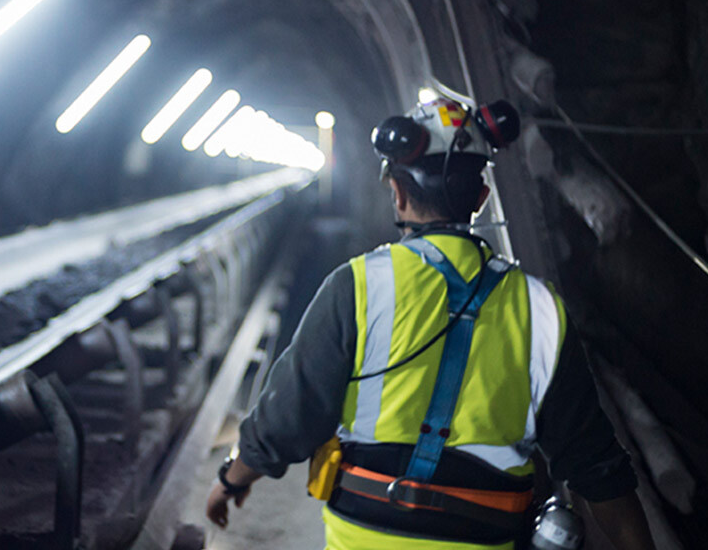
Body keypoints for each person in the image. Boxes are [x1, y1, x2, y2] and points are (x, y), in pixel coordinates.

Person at [205, 98, 656, 550]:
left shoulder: (357, 286)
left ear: (398, 193)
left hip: (364, 536)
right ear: (480, 199)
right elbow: (597, 467)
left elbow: (287, 416)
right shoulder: (541, 309)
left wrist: (232, 478)